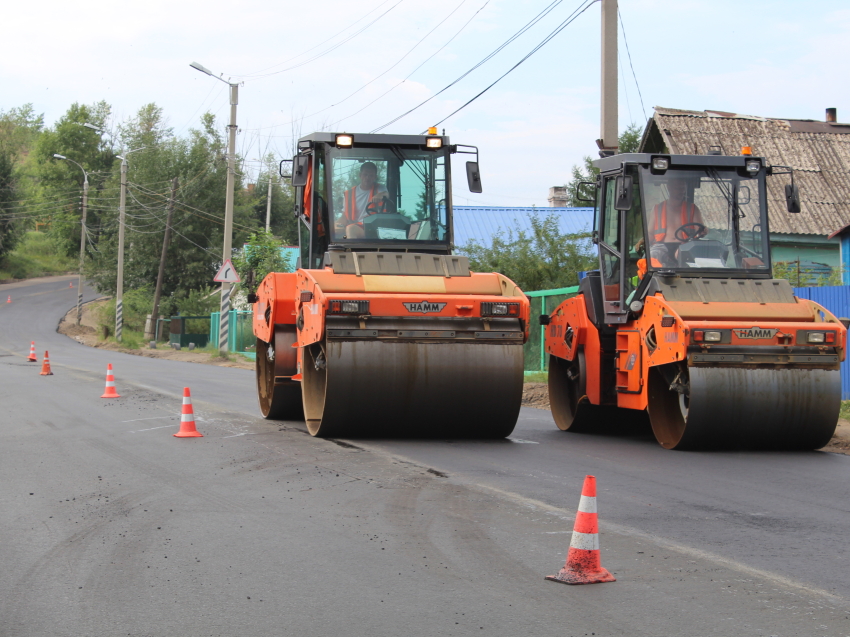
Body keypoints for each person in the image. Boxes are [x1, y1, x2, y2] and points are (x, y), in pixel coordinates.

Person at [640, 176, 705, 267]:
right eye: (678, 188)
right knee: (650, 258)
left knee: (691, 258)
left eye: (683, 188)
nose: (681, 191)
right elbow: (650, 233)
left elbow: (701, 229)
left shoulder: (692, 208)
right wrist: (642, 242)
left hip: (684, 245)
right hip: (661, 246)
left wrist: (704, 230)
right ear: (669, 187)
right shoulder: (657, 209)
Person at [336, 162, 390, 238]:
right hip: (357, 226)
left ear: (375, 177)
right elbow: (345, 216)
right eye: (365, 175)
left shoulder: (380, 188)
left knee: (351, 229)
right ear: (360, 175)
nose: (367, 177)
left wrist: (380, 195)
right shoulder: (349, 194)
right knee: (334, 230)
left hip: (375, 227)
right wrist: (335, 225)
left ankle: (352, 249)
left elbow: (386, 194)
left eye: (371, 175)